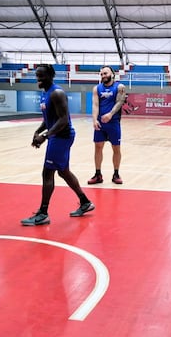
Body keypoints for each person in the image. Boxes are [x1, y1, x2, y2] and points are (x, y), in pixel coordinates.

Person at [21, 64, 95, 226]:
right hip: (57, 136)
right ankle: (85, 202)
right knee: (63, 172)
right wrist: (38, 131)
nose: (38, 79)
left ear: (51, 76)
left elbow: (63, 120)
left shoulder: (57, 93)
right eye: (37, 76)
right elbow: (49, 119)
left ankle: (43, 213)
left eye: (41, 76)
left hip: (62, 136)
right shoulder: (45, 93)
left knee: (47, 173)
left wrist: (45, 136)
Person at [87, 66, 126, 185]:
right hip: (100, 123)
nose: (103, 76)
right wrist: (94, 120)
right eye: (101, 74)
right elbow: (95, 105)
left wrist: (110, 114)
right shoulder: (97, 88)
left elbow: (120, 102)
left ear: (112, 74)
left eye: (105, 73)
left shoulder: (119, 87)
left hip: (113, 123)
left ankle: (116, 174)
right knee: (98, 147)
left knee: (116, 148)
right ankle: (98, 174)